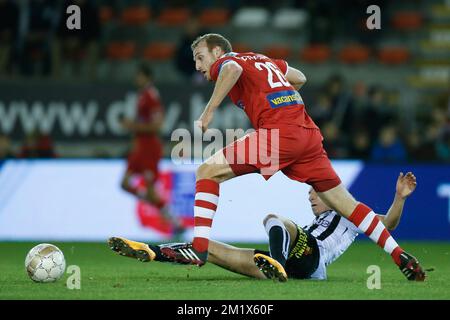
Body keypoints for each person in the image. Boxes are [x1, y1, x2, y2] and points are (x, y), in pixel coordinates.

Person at [162, 33, 425, 280]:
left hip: (279, 134)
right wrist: (279, 96)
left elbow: (232, 70)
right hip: (308, 135)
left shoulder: (227, 62)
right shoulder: (263, 60)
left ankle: (199, 248)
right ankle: (398, 253)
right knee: (347, 205)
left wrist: (208, 112)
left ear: (217, 51)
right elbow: (300, 77)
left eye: (200, 57)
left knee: (207, 171)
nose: (197, 65)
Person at [109, 172, 425, 281]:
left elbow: (387, 225)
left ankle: (277, 264)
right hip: (301, 259)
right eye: (309, 193)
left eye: (315, 192)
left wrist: (399, 198)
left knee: (275, 219)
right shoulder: (318, 221)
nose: (311, 197)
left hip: (312, 257)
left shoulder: (350, 212)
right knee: (214, 250)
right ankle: (151, 251)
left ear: (332, 194)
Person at [120, 64, 184, 236]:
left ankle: (175, 221)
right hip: (140, 147)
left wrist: (131, 125)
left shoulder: (151, 95)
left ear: (147, 77)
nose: (136, 79)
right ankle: (159, 206)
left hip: (150, 148)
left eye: (139, 76)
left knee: (149, 189)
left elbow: (158, 125)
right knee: (124, 184)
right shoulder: (142, 96)